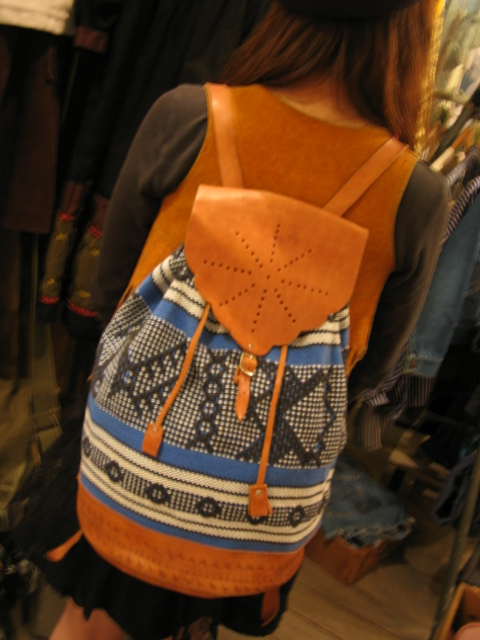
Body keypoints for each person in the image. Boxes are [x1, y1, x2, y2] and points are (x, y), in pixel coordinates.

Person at [10, 1, 449, 639]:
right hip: (260, 494)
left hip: (139, 448)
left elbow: (113, 292)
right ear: (410, 36)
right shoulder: (416, 194)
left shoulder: (190, 115)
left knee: (90, 622)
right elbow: (369, 370)